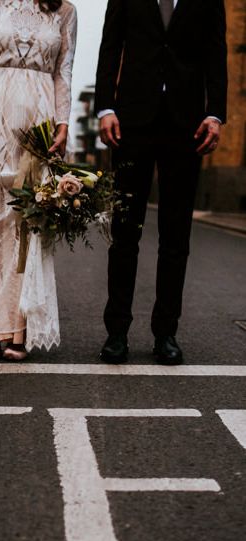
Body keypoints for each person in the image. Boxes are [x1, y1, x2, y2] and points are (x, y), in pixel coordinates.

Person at [95, 0, 228, 365]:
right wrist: (105, 107)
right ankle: (116, 333)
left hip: (187, 126)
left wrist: (215, 113)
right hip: (132, 122)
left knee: (176, 238)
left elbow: (217, 52)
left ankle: (166, 333)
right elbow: (111, 45)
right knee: (125, 234)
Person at [0, 0, 77, 361]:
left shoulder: (64, 11)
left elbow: (64, 72)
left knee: (28, 227)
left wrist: (63, 124)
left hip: (39, 126)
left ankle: (18, 329)